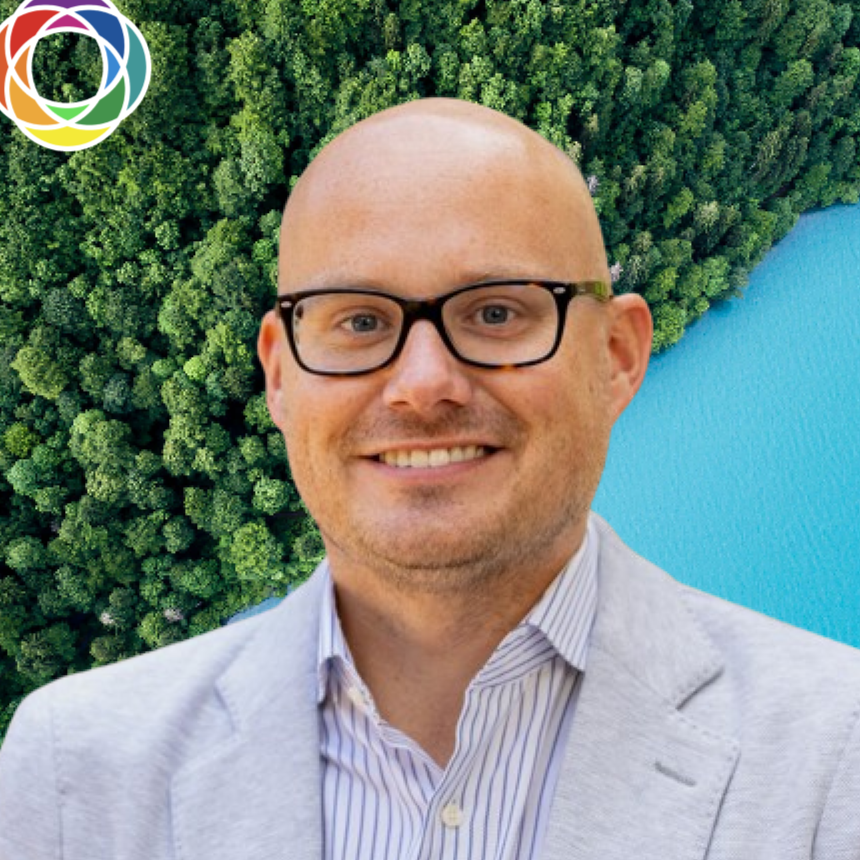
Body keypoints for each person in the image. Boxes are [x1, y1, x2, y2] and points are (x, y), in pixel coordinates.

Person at [1, 97, 860, 860]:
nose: (422, 384)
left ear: (617, 356)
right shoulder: (76, 772)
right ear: (279, 375)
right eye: (361, 321)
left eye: (495, 312)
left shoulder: (835, 750)